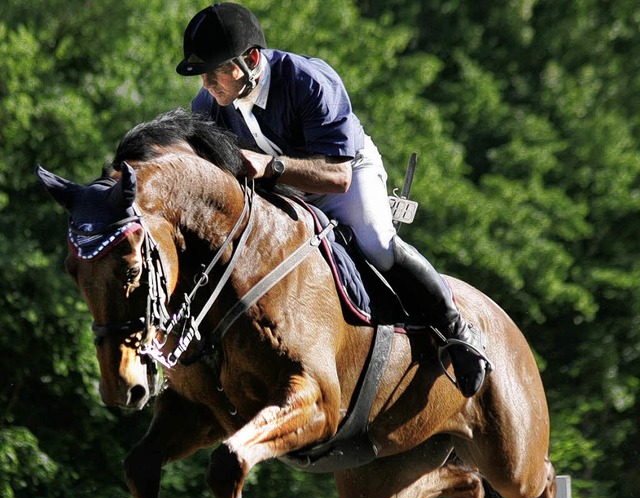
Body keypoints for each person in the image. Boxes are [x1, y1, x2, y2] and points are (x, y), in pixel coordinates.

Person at [176, 2, 491, 397]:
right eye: (202, 73)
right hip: (282, 191)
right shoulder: (209, 106)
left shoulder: (309, 81)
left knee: (376, 243)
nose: (206, 83)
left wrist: (270, 167)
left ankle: (457, 331)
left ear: (252, 59)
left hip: (345, 174)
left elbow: (338, 177)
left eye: (217, 70)